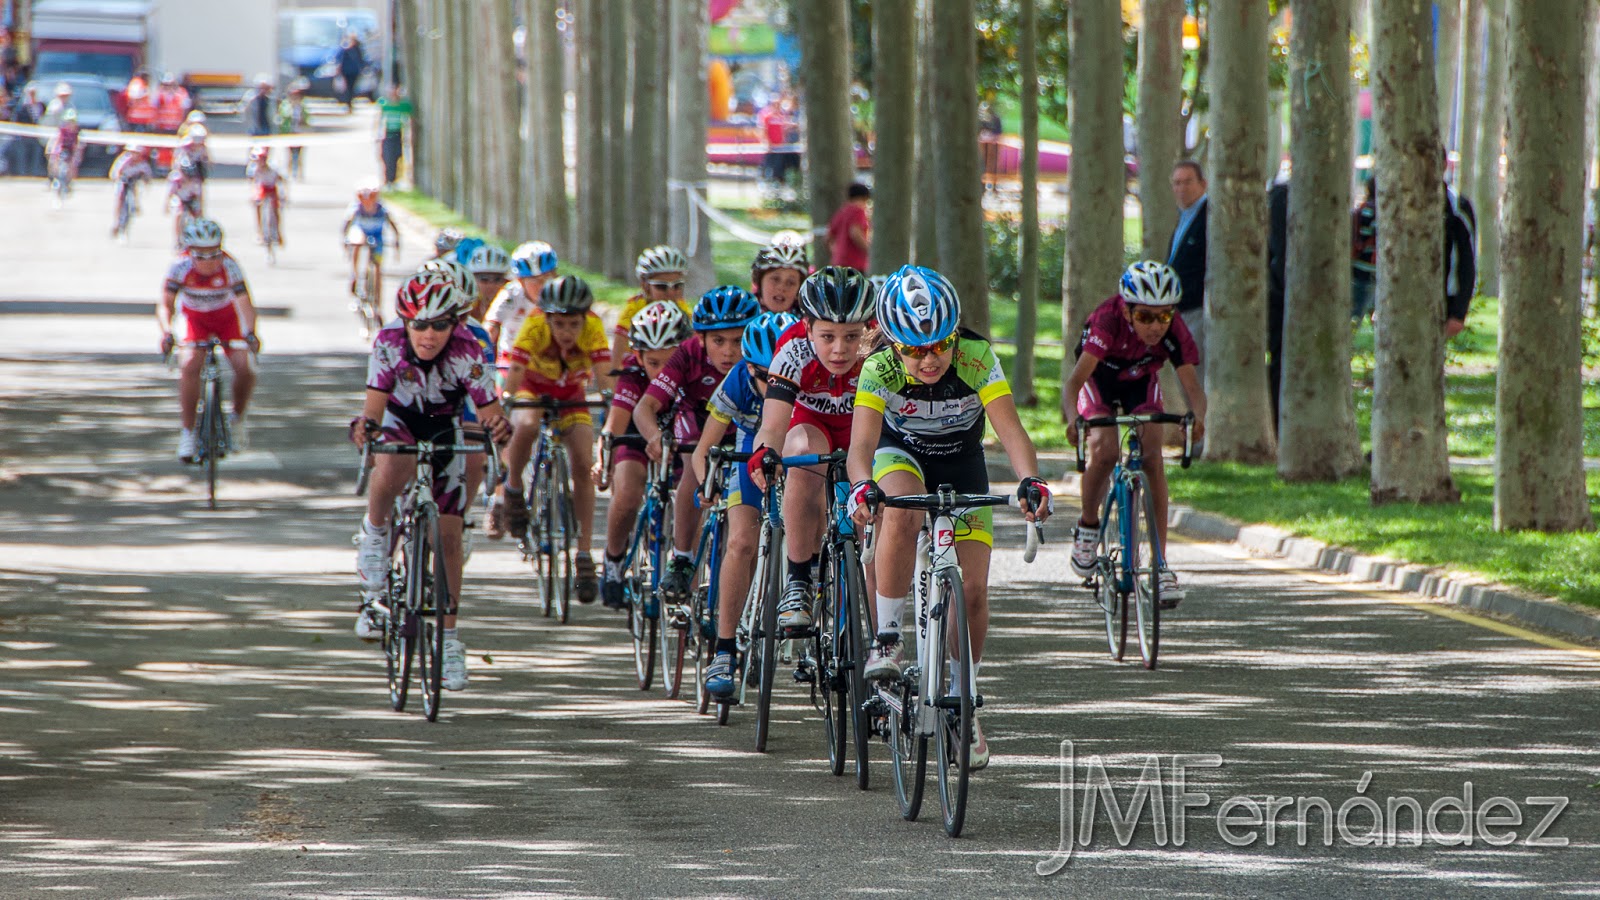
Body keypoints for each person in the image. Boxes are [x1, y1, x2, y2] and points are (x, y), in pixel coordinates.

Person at [846, 265, 1052, 769]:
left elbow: (1011, 432)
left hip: (963, 463)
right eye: (913, 349)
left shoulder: (977, 356)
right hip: (902, 456)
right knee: (901, 508)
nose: (929, 358)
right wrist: (861, 488)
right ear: (892, 343)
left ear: (955, 334)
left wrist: (1031, 481)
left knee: (975, 590)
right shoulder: (879, 368)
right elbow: (861, 448)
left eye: (939, 345)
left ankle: (964, 696)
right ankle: (889, 639)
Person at [351, 266, 511, 692]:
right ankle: (375, 532)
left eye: (440, 325)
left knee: (450, 532)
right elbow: (373, 407)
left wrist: (498, 428)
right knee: (393, 462)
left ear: (454, 323)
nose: (429, 334)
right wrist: (365, 427)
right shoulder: (387, 343)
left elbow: (488, 410)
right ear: (405, 322)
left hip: (445, 425)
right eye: (419, 324)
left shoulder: (466, 348)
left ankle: (449, 640)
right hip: (401, 417)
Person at [1063, 261, 1206, 604]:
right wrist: (1072, 420)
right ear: (1127, 312)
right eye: (1145, 317)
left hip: (1140, 383)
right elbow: (1074, 382)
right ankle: (1087, 526)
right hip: (1099, 380)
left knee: (1153, 455)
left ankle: (1160, 566)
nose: (1156, 326)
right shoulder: (1107, 321)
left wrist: (1197, 419)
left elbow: (1193, 387)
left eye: (1164, 316)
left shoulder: (1173, 330)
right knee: (1105, 449)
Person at [747, 266, 877, 633]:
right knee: (802, 452)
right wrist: (764, 452)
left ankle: (884, 633)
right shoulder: (792, 349)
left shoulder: (878, 353)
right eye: (827, 336)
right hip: (811, 425)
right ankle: (799, 581)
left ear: (867, 330)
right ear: (807, 329)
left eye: (852, 336)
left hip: (861, 429)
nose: (840, 349)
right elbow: (772, 425)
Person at [633, 286, 762, 611]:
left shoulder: (760, 354)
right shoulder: (687, 353)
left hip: (744, 428)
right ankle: (682, 558)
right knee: (693, 465)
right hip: (698, 423)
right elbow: (645, 407)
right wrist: (654, 438)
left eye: (737, 340)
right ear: (702, 339)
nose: (729, 352)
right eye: (719, 341)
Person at [697, 310, 797, 695]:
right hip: (746, 453)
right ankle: (723, 651)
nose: (770, 386)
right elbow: (706, 448)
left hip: (792, 448)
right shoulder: (738, 378)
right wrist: (707, 483)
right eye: (762, 376)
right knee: (741, 540)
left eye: (778, 378)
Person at [500, 276, 615, 602]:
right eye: (560, 323)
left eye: (573, 324)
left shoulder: (592, 328)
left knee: (582, 460)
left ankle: (583, 553)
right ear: (547, 317)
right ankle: (513, 487)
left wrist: (611, 399)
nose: (567, 331)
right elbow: (516, 374)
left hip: (571, 394)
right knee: (527, 424)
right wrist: (509, 396)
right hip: (533, 390)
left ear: (585, 319)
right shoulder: (534, 326)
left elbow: (605, 375)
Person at [596, 301, 692, 608]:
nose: (663, 371)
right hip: (638, 436)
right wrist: (603, 462)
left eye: (670, 361)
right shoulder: (633, 374)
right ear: (638, 357)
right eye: (653, 363)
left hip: (679, 439)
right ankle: (613, 561)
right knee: (625, 491)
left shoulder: (692, 369)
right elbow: (614, 426)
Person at [156, 218, 261, 461]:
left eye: (213, 254)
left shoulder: (230, 266)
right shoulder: (179, 267)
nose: (208, 262)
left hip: (226, 320)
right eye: (200, 256)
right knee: (190, 364)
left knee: (245, 368)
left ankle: (237, 419)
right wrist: (166, 332)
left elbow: (245, 304)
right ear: (189, 252)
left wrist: (250, 333)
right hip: (196, 320)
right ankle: (188, 431)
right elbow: (165, 305)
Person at [485, 241, 559, 384]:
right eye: (534, 281)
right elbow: (490, 329)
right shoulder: (510, 295)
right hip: (512, 360)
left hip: (550, 361)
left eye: (547, 278)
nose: (542, 285)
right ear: (520, 281)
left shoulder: (562, 292)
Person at [610, 245, 695, 366]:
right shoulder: (634, 308)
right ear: (645, 286)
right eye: (661, 286)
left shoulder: (681, 306)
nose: (671, 293)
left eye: (677, 285)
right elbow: (618, 351)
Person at [342, 183, 399, 313]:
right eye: (364, 198)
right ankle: (355, 275)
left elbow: (394, 226)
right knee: (357, 242)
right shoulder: (356, 209)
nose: (368, 202)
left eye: (372, 198)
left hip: (377, 236)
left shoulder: (382, 210)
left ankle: (377, 304)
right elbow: (347, 225)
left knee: (378, 269)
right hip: (361, 232)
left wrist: (397, 242)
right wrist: (346, 241)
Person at [749, 241, 809, 314]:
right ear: (760, 282)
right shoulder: (741, 317)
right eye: (775, 279)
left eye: (791, 282)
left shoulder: (809, 323)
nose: (781, 287)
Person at [246, 146, 287, 249]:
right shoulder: (253, 169)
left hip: (272, 188)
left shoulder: (273, 168)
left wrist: (283, 195)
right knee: (257, 206)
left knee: (276, 209)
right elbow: (253, 183)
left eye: (263, 159)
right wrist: (253, 195)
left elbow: (281, 180)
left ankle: (278, 232)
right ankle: (260, 232)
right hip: (261, 188)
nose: (261, 162)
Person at [109, 144, 154, 235]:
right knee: (120, 196)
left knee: (136, 190)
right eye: (133, 153)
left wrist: (146, 185)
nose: (134, 155)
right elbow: (115, 173)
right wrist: (117, 180)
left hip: (133, 182)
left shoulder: (143, 164)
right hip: (123, 180)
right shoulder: (123, 161)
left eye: (137, 153)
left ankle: (136, 205)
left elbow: (148, 177)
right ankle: (117, 222)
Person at [827, 183, 872, 273]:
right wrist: (869, 249)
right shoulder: (858, 211)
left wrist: (837, 253)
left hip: (838, 263)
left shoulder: (842, 212)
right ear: (865, 198)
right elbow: (855, 232)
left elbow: (828, 238)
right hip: (855, 264)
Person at [377, 84, 412, 187]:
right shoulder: (383, 104)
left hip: (399, 134)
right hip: (387, 134)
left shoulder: (404, 106)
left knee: (398, 157)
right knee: (387, 157)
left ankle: (396, 180)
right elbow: (379, 119)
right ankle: (388, 180)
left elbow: (409, 120)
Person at [166, 157, 206, 249]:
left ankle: (198, 237)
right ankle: (177, 239)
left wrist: (200, 210)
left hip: (190, 198)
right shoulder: (175, 179)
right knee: (178, 215)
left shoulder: (196, 180)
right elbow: (170, 193)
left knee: (198, 217)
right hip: (179, 198)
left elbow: (199, 196)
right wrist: (167, 205)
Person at [277, 78, 311, 180]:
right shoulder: (286, 106)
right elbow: (283, 119)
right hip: (290, 134)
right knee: (290, 156)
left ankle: (300, 174)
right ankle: (289, 173)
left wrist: (303, 122)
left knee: (300, 155)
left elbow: (307, 119)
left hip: (300, 133)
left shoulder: (303, 107)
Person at [45, 109, 83, 193]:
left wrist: (75, 158)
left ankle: (69, 182)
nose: (70, 124)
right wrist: (53, 154)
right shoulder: (61, 131)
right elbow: (56, 143)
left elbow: (77, 146)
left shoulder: (77, 133)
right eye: (69, 121)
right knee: (53, 162)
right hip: (61, 150)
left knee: (73, 164)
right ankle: (52, 178)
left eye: (72, 121)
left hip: (71, 151)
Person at [337, 34, 367, 111]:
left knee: (351, 87)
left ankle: (349, 102)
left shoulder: (355, 50)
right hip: (348, 72)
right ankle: (349, 102)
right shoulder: (349, 50)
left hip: (353, 72)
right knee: (350, 87)